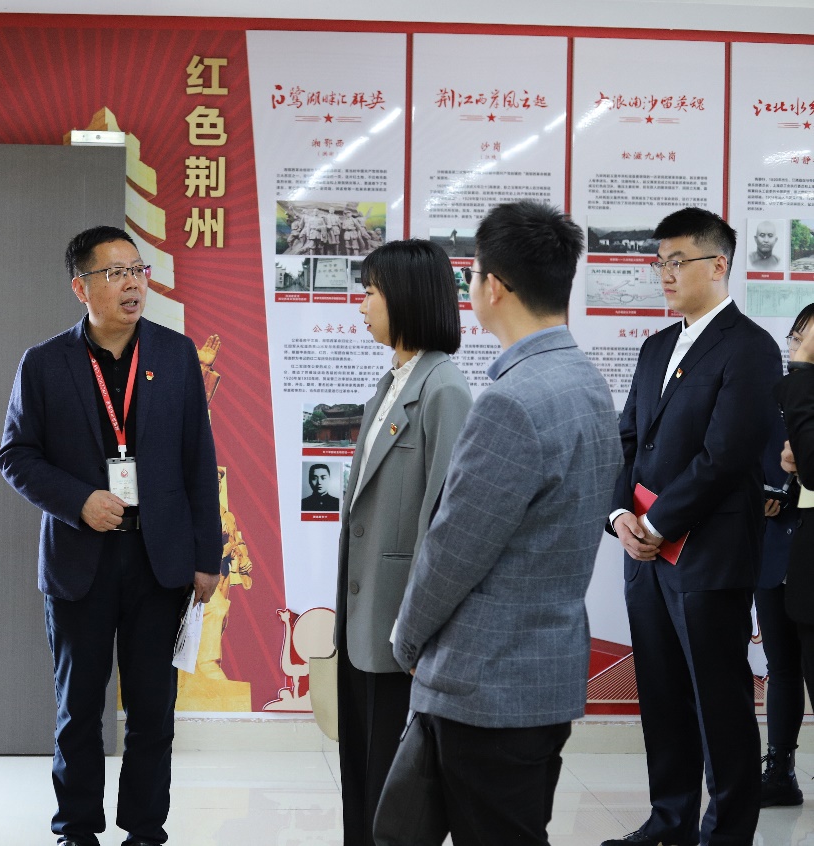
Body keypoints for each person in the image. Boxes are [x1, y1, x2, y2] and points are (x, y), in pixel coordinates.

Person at [389, 200, 622, 846]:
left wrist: (407, 640)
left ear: (493, 286)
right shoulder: (585, 382)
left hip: (484, 685)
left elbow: (454, 551)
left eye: (471, 275)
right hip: (545, 672)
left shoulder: (511, 402)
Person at [0, 225, 222, 846]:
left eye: (138, 270)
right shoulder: (45, 364)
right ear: (81, 288)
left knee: (152, 711)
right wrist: (78, 500)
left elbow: (198, 460)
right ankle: (76, 830)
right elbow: (15, 455)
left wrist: (208, 557)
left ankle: (145, 830)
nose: (132, 284)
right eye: (115, 273)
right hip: (80, 561)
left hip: (159, 561)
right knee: (78, 711)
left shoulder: (175, 356)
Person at [603, 207, 782, 846]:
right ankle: (670, 821)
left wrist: (659, 520)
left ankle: (726, 833)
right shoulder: (656, 347)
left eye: (678, 261)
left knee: (719, 702)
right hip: (646, 556)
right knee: (661, 693)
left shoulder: (751, 347)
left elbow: (726, 455)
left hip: (708, 554)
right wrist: (621, 516)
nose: (666, 274)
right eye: (660, 262)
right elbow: (626, 440)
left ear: (718, 264)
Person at [335, 239, 471, 846]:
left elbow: (445, 524)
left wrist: (421, 626)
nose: (361, 305)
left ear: (407, 298)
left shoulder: (444, 391)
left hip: (399, 628)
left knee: (391, 791)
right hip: (365, 621)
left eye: (370, 292)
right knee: (362, 773)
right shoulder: (392, 383)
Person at [753, 304, 814, 809]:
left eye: (808, 340)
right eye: (795, 337)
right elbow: (750, 452)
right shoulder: (778, 392)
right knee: (781, 662)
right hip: (776, 544)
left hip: (809, 544)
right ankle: (780, 770)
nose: (798, 347)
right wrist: (762, 490)